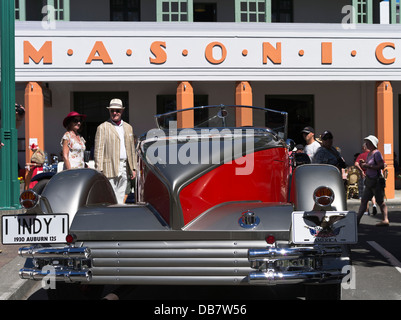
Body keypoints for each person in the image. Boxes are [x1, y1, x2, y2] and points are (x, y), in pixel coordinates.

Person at [94, 98, 137, 204]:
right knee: (110, 195)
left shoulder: (128, 127)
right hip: (109, 167)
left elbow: (131, 149)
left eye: (117, 110)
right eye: (112, 110)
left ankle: (118, 215)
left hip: (124, 166)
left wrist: (133, 167)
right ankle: (110, 216)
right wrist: (99, 170)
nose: (115, 113)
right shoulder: (103, 127)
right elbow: (98, 150)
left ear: (122, 111)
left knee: (121, 194)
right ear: (109, 111)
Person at [357, 135, 389, 226]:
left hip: (376, 181)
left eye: (367, 142)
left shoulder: (376, 153)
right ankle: (357, 219)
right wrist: (364, 163)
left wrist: (368, 166)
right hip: (369, 181)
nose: (366, 144)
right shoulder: (370, 154)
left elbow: (381, 165)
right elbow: (370, 165)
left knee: (380, 201)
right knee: (364, 200)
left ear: (372, 143)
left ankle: (385, 220)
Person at [355, 142, 377, 215]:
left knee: (365, 194)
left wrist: (361, 171)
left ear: (365, 147)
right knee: (372, 193)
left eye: (362, 147)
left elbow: (356, 164)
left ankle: (366, 210)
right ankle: (374, 205)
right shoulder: (373, 154)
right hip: (373, 176)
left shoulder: (361, 155)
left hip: (365, 176)